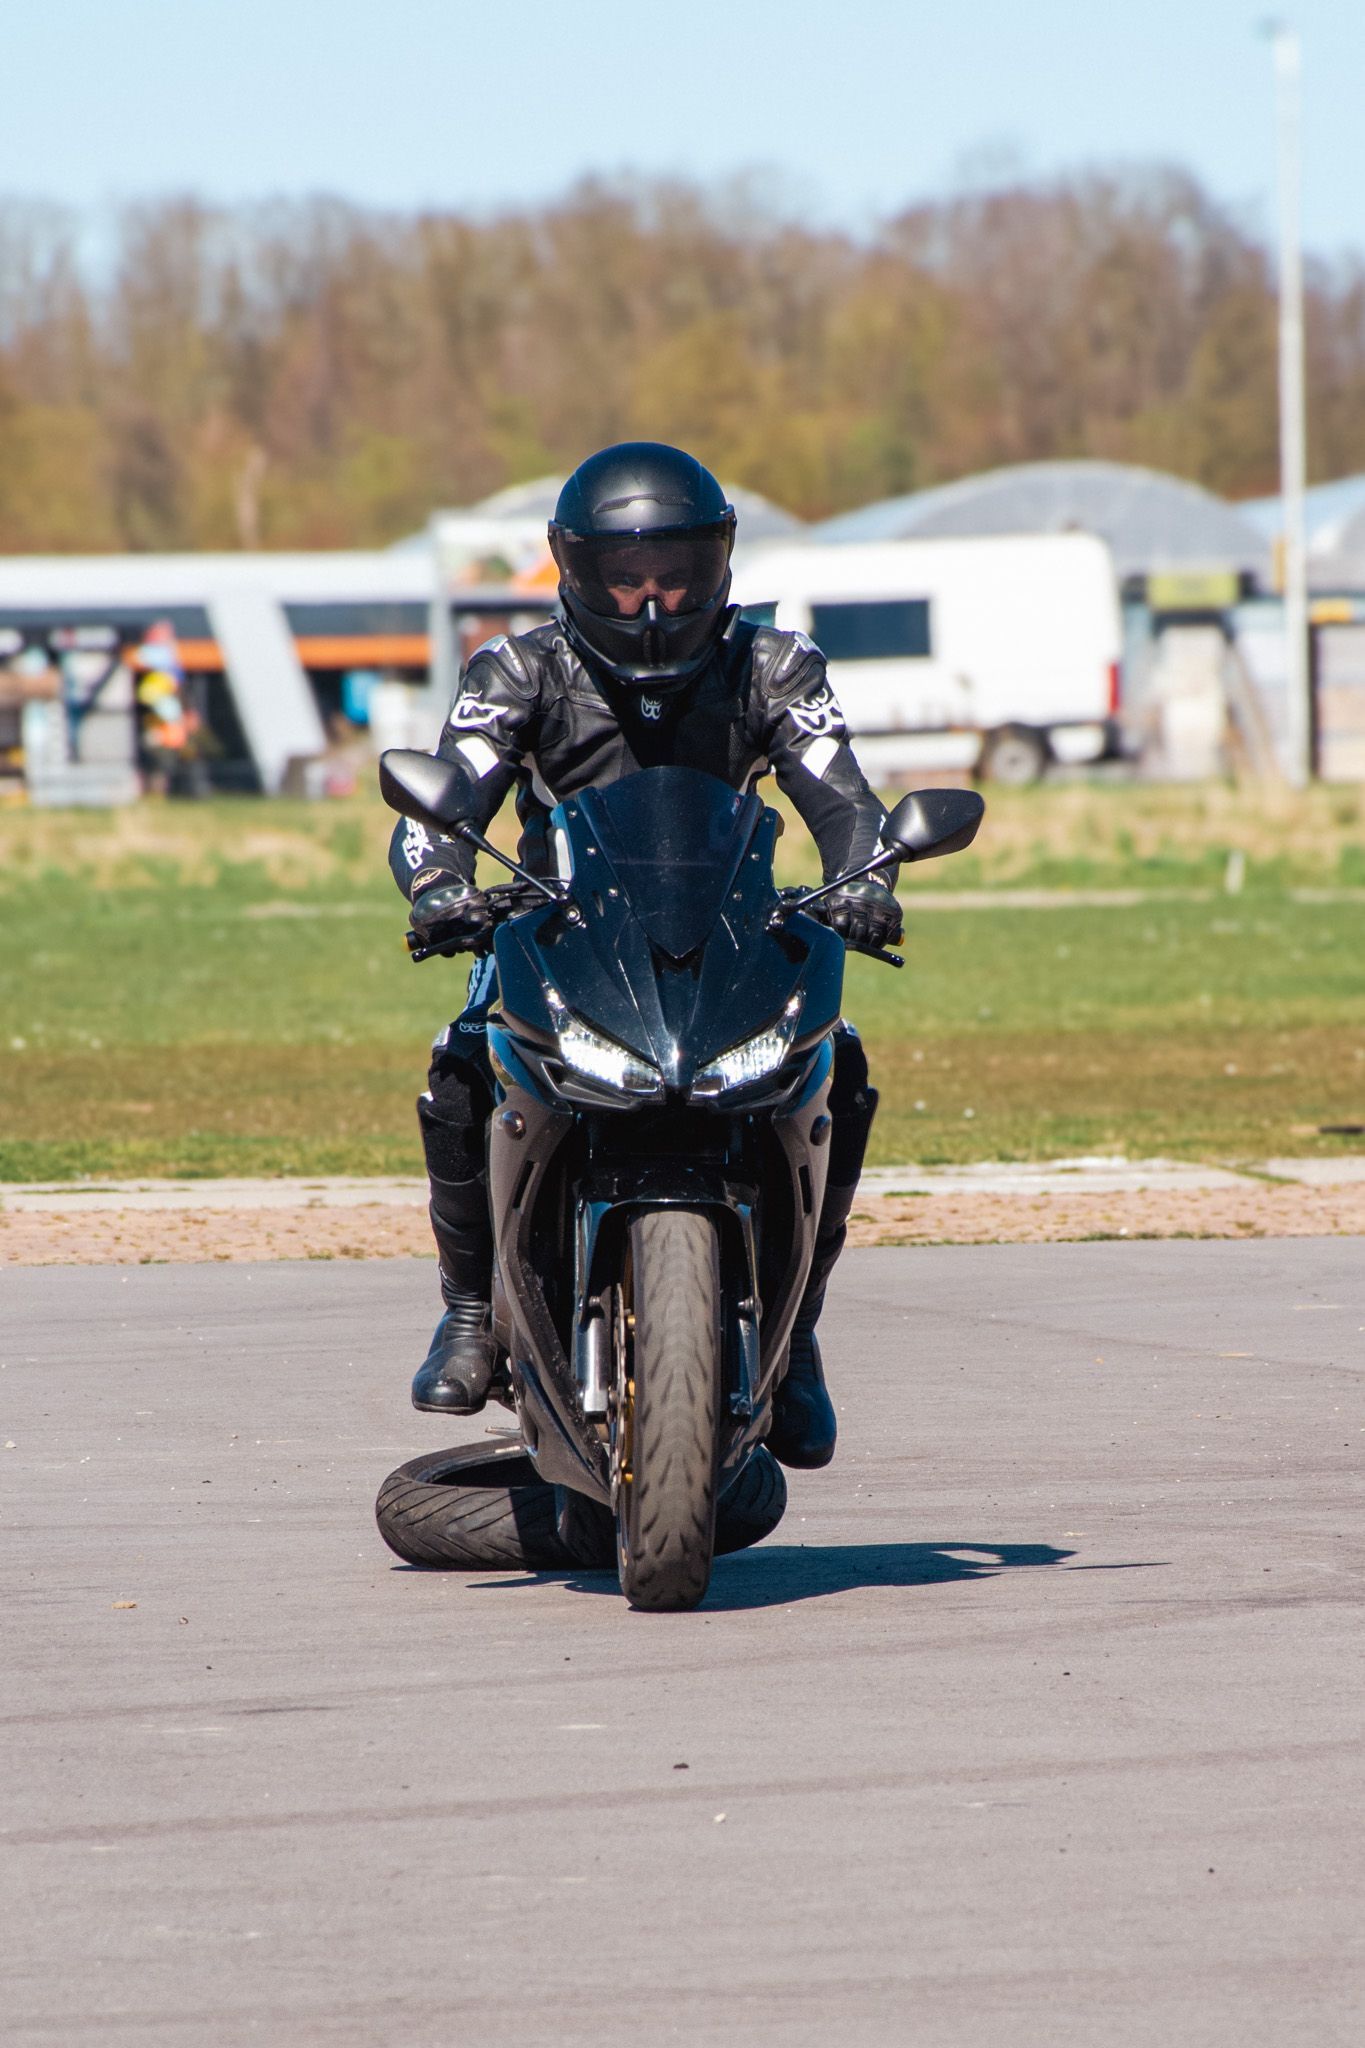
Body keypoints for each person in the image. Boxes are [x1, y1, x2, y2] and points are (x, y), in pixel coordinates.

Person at [388, 442, 902, 1469]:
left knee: (835, 1071)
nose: (653, 602)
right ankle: (468, 1314)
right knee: (458, 1064)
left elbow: (845, 800)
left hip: (732, 927)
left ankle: (795, 1335)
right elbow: (437, 806)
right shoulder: (519, 668)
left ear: (718, 564)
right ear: (575, 571)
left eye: (675, 573)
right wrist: (443, 886)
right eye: (627, 577)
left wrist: (870, 880)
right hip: (556, 923)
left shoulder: (775, 665)